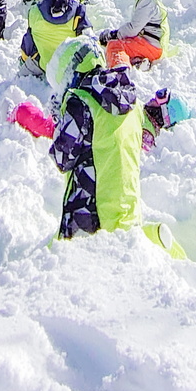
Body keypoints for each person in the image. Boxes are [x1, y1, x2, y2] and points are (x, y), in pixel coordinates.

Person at [46, 36, 143, 239]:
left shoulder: (80, 102)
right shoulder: (130, 100)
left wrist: (59, 122)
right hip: (125, 208)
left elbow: (62, 158)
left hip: (90, 213)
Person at [20, 0, 90, 76]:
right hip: (71, 69)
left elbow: (28, 44)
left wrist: (24, 60)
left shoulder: (34, 10)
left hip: (44, 67)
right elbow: (88, 39)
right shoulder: (78, 8)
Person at [99, 0, 168, 68]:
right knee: (126, 43)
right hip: (149, 43)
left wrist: (114, 35)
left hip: (151, 46)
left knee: (115, 46)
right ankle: (138, 62)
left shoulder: (147, 1)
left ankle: (120, 72)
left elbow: (133, 28)